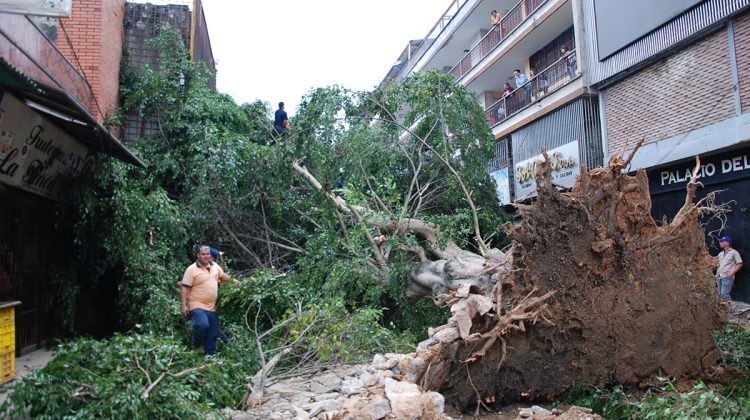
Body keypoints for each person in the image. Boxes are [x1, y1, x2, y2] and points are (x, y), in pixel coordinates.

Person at [181, 245, 234, 355]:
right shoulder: (191, 269)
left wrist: (236, 282)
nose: (206, 256)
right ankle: (195, 344)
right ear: (198, 255)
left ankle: (210, 356)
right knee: (202, 325)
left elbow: (223, 275)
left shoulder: (215, 266)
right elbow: (185, 287)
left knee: (212, 333)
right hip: (197, 304)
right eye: (203, 254)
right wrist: (184, 305)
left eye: (208, 254)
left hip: (211, 307)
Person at [716, 236, 743, 301]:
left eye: (722, 241)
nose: (720, 243)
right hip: (719, 276)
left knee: (724, 295)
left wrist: (732, 273)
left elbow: (740, 263)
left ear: (727, 243)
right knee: (720, 294)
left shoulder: (734, 252)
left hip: (727, 277)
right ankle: (724, 310)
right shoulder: (721, 254)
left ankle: (732, 310)